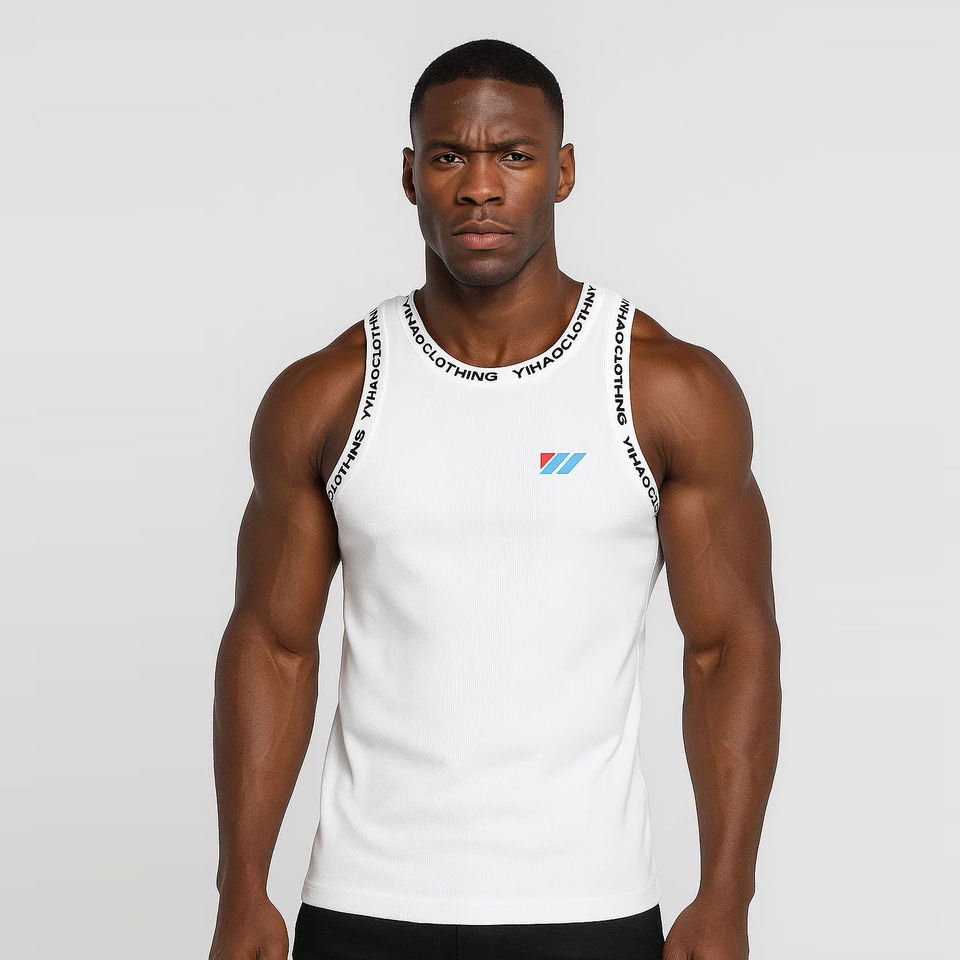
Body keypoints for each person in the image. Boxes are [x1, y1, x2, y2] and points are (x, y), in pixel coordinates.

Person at [209, 37, 781, 960]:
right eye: (450, 156)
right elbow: (273, 647)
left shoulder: (664, 389)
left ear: (562, 171)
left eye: (513, 155)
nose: (480, 187)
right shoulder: (328, 395)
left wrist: (727, 897)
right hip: (364, 903)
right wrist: (242, 888)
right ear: (410, 176)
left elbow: (728, 648)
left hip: (587, 905)